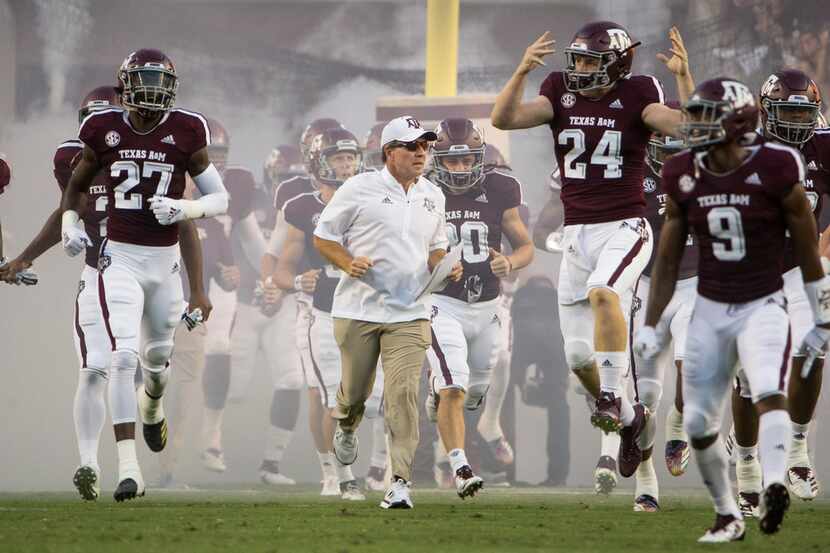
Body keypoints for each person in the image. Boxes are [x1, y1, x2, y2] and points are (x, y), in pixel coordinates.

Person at [491, 21, 688, 480]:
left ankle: (611, 395)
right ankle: (629, 418)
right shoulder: (559, 89)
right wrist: (521, 70)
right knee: (579, 358)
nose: (579, 68)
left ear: (618, 65)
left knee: (604, 292)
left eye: (589, 61)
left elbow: (686, 125)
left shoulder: (639, 92)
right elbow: (504, 119)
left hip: (624, 224)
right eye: (576, 59)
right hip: (577, 232)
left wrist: (683, 76)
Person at [635, 77, 829, 542]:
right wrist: (651, 320)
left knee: (780, 375)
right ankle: (734, 495)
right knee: (702, 417)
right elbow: (667, 254)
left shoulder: (782, 163)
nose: (694, 127)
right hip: (716, 291)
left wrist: (819, 306)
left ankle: (780, 469)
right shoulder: (682, 168)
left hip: (774, 284)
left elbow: (807, 242)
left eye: (706, 119)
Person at [60, 49, 225, 501]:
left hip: (165, 261)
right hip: (120, 257)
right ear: (125, 83)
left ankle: (153, 408)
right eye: (144, 77)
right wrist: (69, 224)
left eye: (159, 78)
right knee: (121, 357)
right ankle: (129, 469)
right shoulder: (101, 129)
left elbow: (220, 199)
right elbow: (75, 189)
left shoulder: (187, 130)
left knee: (156, 362)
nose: (152, 86)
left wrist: (185, 208)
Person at [313, 115, 462, 509]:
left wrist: (444, 264)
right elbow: (324, 237)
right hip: (357, 308)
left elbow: (436, 245)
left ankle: (399, 482)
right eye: (412, 146)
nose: (421, 153)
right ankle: (346, 424)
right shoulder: (358, 188)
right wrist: (348, 262)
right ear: (388, 153)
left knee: (402, 395)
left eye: (425, 146)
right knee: (356, 396)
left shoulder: (434, 194)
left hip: (410, 311)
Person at [728, 68, 830, 515]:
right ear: (766, 111)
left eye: (801, 111)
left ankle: (797, 449)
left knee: (813, 349)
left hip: (803, 266)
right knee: (752, 377)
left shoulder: (825, 145)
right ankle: (747, 464)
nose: (794, 120)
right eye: (785, 110)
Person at [423, 118, 533, 498]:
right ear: (437, 161)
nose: (459, 169)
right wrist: (433, 263)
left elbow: (525, 247)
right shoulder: (422, 192)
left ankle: (445, 401)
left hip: (488, 305)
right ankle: (459, 465)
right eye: (451, 163)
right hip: (443, 303)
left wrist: (511, 262)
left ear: (479, 159)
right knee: (454, 385)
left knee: (475, 392)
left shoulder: (501, 188)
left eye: (466, 161)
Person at [274, 126, 386, 500]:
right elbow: (282, 270)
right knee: (330, 399)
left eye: (351, 157)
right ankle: (339, 474)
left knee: (371, 400)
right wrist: (297, 281)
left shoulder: (375, 198)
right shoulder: (302, 207)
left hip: (369, 310)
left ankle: (379, 467)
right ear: (318, 162)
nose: (346, 164)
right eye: (338, 157)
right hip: (321, 311)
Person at [628, 125, 695, 512]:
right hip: (647, 288)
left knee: (693, 368)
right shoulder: (633, 178)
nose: (670, 159)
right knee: (645, 396)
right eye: (663, 150)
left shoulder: (707, 176)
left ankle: (678, 426)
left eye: (678, 151)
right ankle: (646, 480)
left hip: (693, 284)